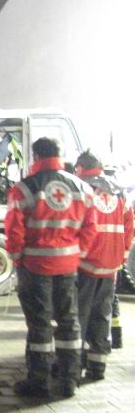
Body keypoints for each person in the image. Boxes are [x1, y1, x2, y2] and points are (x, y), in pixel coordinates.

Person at [5, 137, 97, 398]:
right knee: (69, 323)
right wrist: (78, 255)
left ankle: (39, 382)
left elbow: (14, 231)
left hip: (35, 268)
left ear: (35, 156)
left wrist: (17, 258)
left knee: (40, 326)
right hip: (68, 267)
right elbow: (91, 228)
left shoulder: (23, 189)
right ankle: (69, 381)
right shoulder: (82, 188)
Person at [73, 150, 133, 380]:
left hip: (86, 262)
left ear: (80, 168)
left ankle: (74, 365)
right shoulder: (119, 191)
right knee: (102, 315)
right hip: (111, 264)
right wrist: (121, 256)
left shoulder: (80, 188)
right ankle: (98, 367)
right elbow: (129, 227)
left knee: (79, 315)